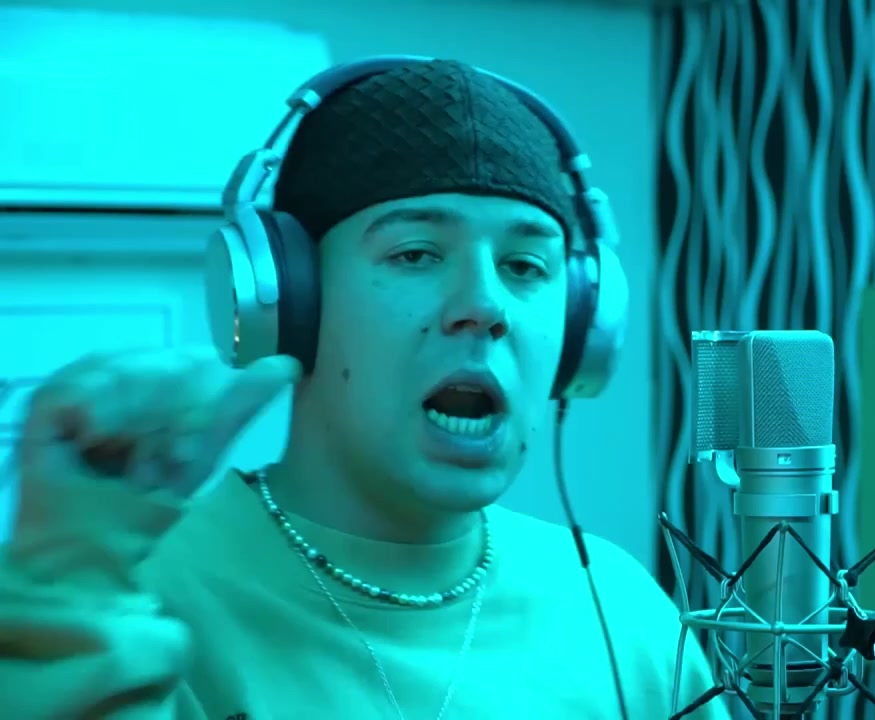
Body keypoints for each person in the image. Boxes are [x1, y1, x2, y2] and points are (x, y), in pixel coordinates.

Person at [0, 59, 730, 719]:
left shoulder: (619, 609)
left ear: (580, 327)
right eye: (416, 254)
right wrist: (65, 599)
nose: (485, 306)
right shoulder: (123, 603)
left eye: (524, 267)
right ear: (294, 304)